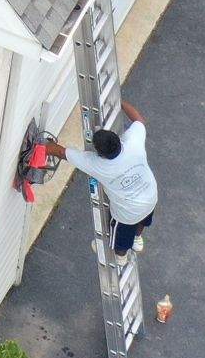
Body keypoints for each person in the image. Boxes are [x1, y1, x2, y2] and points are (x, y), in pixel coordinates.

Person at [66, 98, 157, 254]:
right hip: (150, 197)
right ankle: (136, 238)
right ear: (118, 140)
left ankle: (120, 257)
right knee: (143, 218)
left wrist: (45, 146)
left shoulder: (97, 164)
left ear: (100, 154)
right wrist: (119, 102)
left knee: (120, 242)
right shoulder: (133, 142)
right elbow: (139, 120)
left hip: (127, 213)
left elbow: (62, 153)